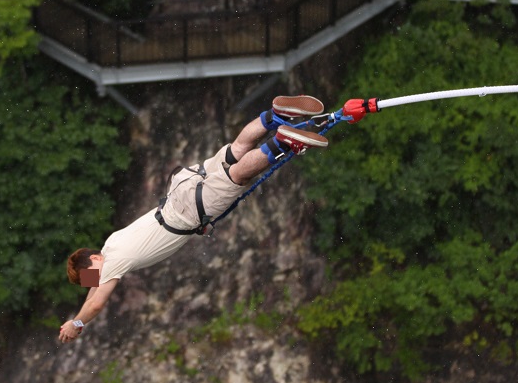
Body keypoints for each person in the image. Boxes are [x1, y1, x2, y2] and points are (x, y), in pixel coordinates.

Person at [58, 94, 362, 343]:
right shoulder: (111, 244)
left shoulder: (113, 262)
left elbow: (96, 302)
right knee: (235, 151)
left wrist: (78, 325)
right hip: (180, 186)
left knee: (238, 176)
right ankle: (272, 117)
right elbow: (93, 292)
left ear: (93, 263)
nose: (92, 283)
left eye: (88, 277)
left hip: (190, 209)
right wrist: (76, 313)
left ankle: (280, 143)